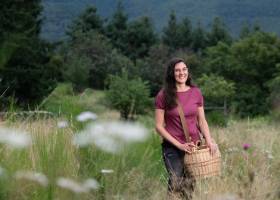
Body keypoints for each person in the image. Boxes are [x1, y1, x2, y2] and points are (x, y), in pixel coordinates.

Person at [155, 57, 217, 199]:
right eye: (177, 70)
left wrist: (209, 141)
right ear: (172, 73)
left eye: (184, 69)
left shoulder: (196, 92)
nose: (181, 73)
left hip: (193, 147)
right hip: (172, 147)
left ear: (188, 72)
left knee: (189, 186)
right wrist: (179, 145)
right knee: (176, 180)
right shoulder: (163, 95)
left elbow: (202, 120)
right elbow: (159, 126)